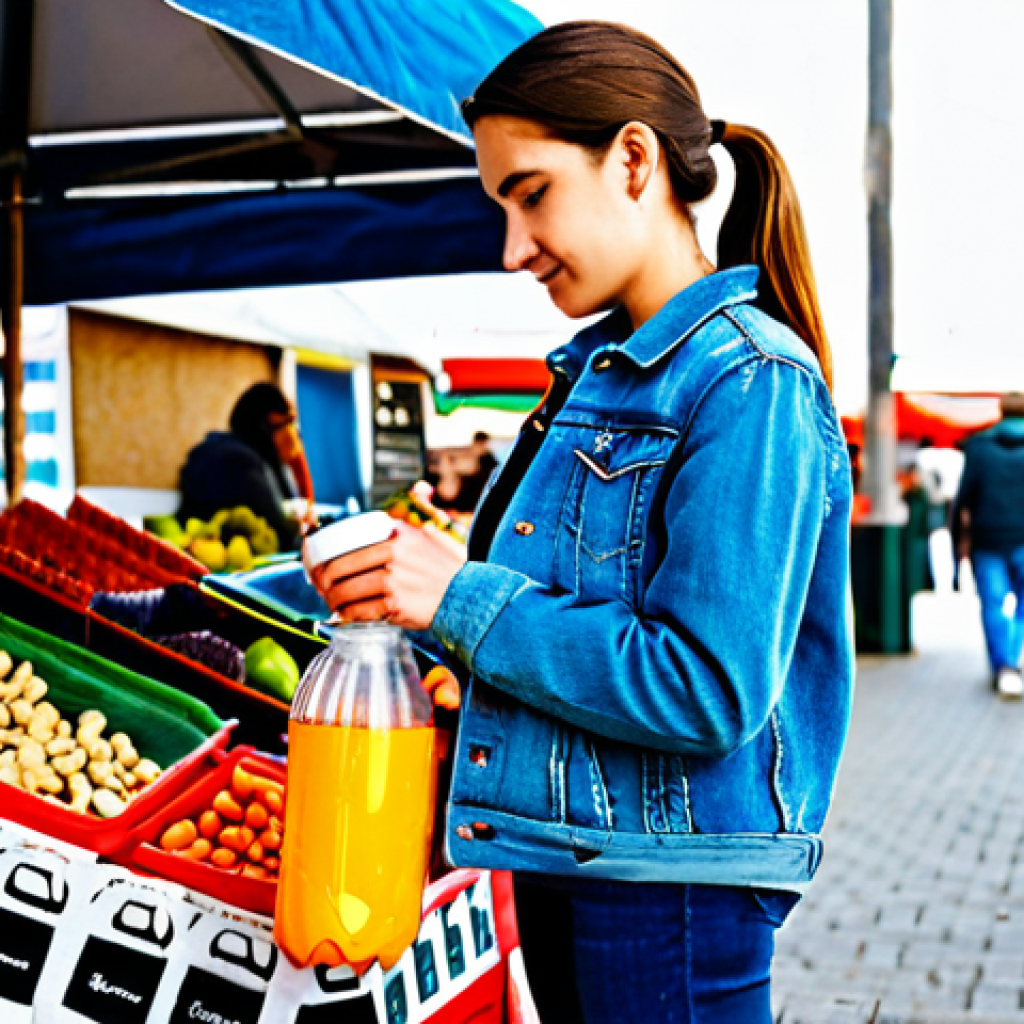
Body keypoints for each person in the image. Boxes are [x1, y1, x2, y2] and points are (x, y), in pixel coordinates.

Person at [312, 21, 853, 1023]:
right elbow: (572, 623)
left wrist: (459, 596)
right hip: (578, 861)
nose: (512, 247)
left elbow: (704, 687)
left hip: (669, 889)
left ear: (634, 159)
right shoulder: (594, 382)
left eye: (531, 193)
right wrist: (446, 656)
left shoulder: (750, 382)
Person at [177, 381, 312, 549]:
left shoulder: (222, 451)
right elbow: (282, 533)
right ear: (263, 428)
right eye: (285, 424)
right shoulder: (240, 462)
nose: (293, 435)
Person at [952, 393, 1024, 699]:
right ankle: (1011, 659)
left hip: (988, 539)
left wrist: (957, 542)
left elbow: (964, 497)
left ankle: (1004, 666)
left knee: (992, 605)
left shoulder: (979, 446)